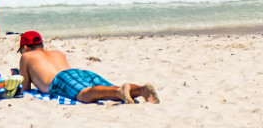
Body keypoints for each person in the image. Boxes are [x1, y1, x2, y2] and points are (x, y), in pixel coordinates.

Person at [17, 31, 159, 104]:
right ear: (41, 44)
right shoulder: (57, 53)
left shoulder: (26, 56)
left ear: (25, 47)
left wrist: (17, 74)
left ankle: (119, 91)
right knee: (108, 89)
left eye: (22, 50)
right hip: (78, 72)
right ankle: (141, 89)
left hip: (59, 80)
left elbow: (26, 88)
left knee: (85, 94)